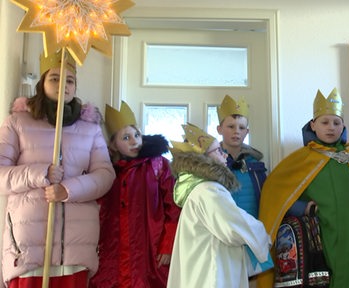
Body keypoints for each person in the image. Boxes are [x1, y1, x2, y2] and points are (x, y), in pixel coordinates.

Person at [0, 50, 115, 287]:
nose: (63, 84)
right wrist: (40, 174)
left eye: (70, 80)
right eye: (55, 78)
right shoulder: (17, 123)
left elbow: (105, 175)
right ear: (42, 83)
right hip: (27, 248)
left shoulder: (90, 129)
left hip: (75, 248)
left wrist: (68, 189)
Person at [257, 88, 349, 288]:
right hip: (321, 238)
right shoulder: (301, 160)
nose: (331, 127)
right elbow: (275, 196)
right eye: (324, 122)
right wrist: (304, 208)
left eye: (336, 123)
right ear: (313, 125)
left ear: (343, 125)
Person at [167, 123, 271, 288]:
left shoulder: (199, 189)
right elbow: (233, 227)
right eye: (218, 151)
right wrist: (264, 235)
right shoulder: (209, 191)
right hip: (212, 276)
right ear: (203, 158)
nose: (225, 156)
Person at [89, 101, 181, 287]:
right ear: (113, 145)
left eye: (136, 135)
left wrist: (168, 244)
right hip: (112, 250)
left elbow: (173, 206)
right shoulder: (107, 171)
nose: (134, 141)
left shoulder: (158, 165)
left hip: (151, 248)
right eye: (126, 138)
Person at [216, 94, 267, 218]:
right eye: (231, 126)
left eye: (242, 127)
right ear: (219, 129)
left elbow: (265, 199)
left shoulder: (255, 164)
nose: (237, 131)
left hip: (251, 228)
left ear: (247, 132)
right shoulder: (211, 161)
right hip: (220, 229)